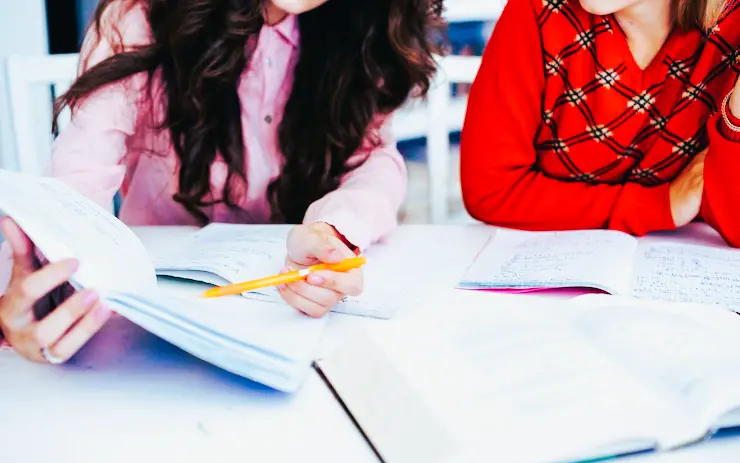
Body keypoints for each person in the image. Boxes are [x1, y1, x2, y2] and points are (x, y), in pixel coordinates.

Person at [0, 0, 444, 364]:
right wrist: (29, 289)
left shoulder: (363, 26)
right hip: (152, 318)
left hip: (294, 318)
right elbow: (76, 185)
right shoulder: (140, 16)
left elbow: (375, 163)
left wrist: (336, 229)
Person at [460, 0, 740, 243]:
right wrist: (659, 205)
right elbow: (492, 191)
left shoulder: (732, 24)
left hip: (686, 285)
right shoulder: (538, 10)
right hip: (548, 283)